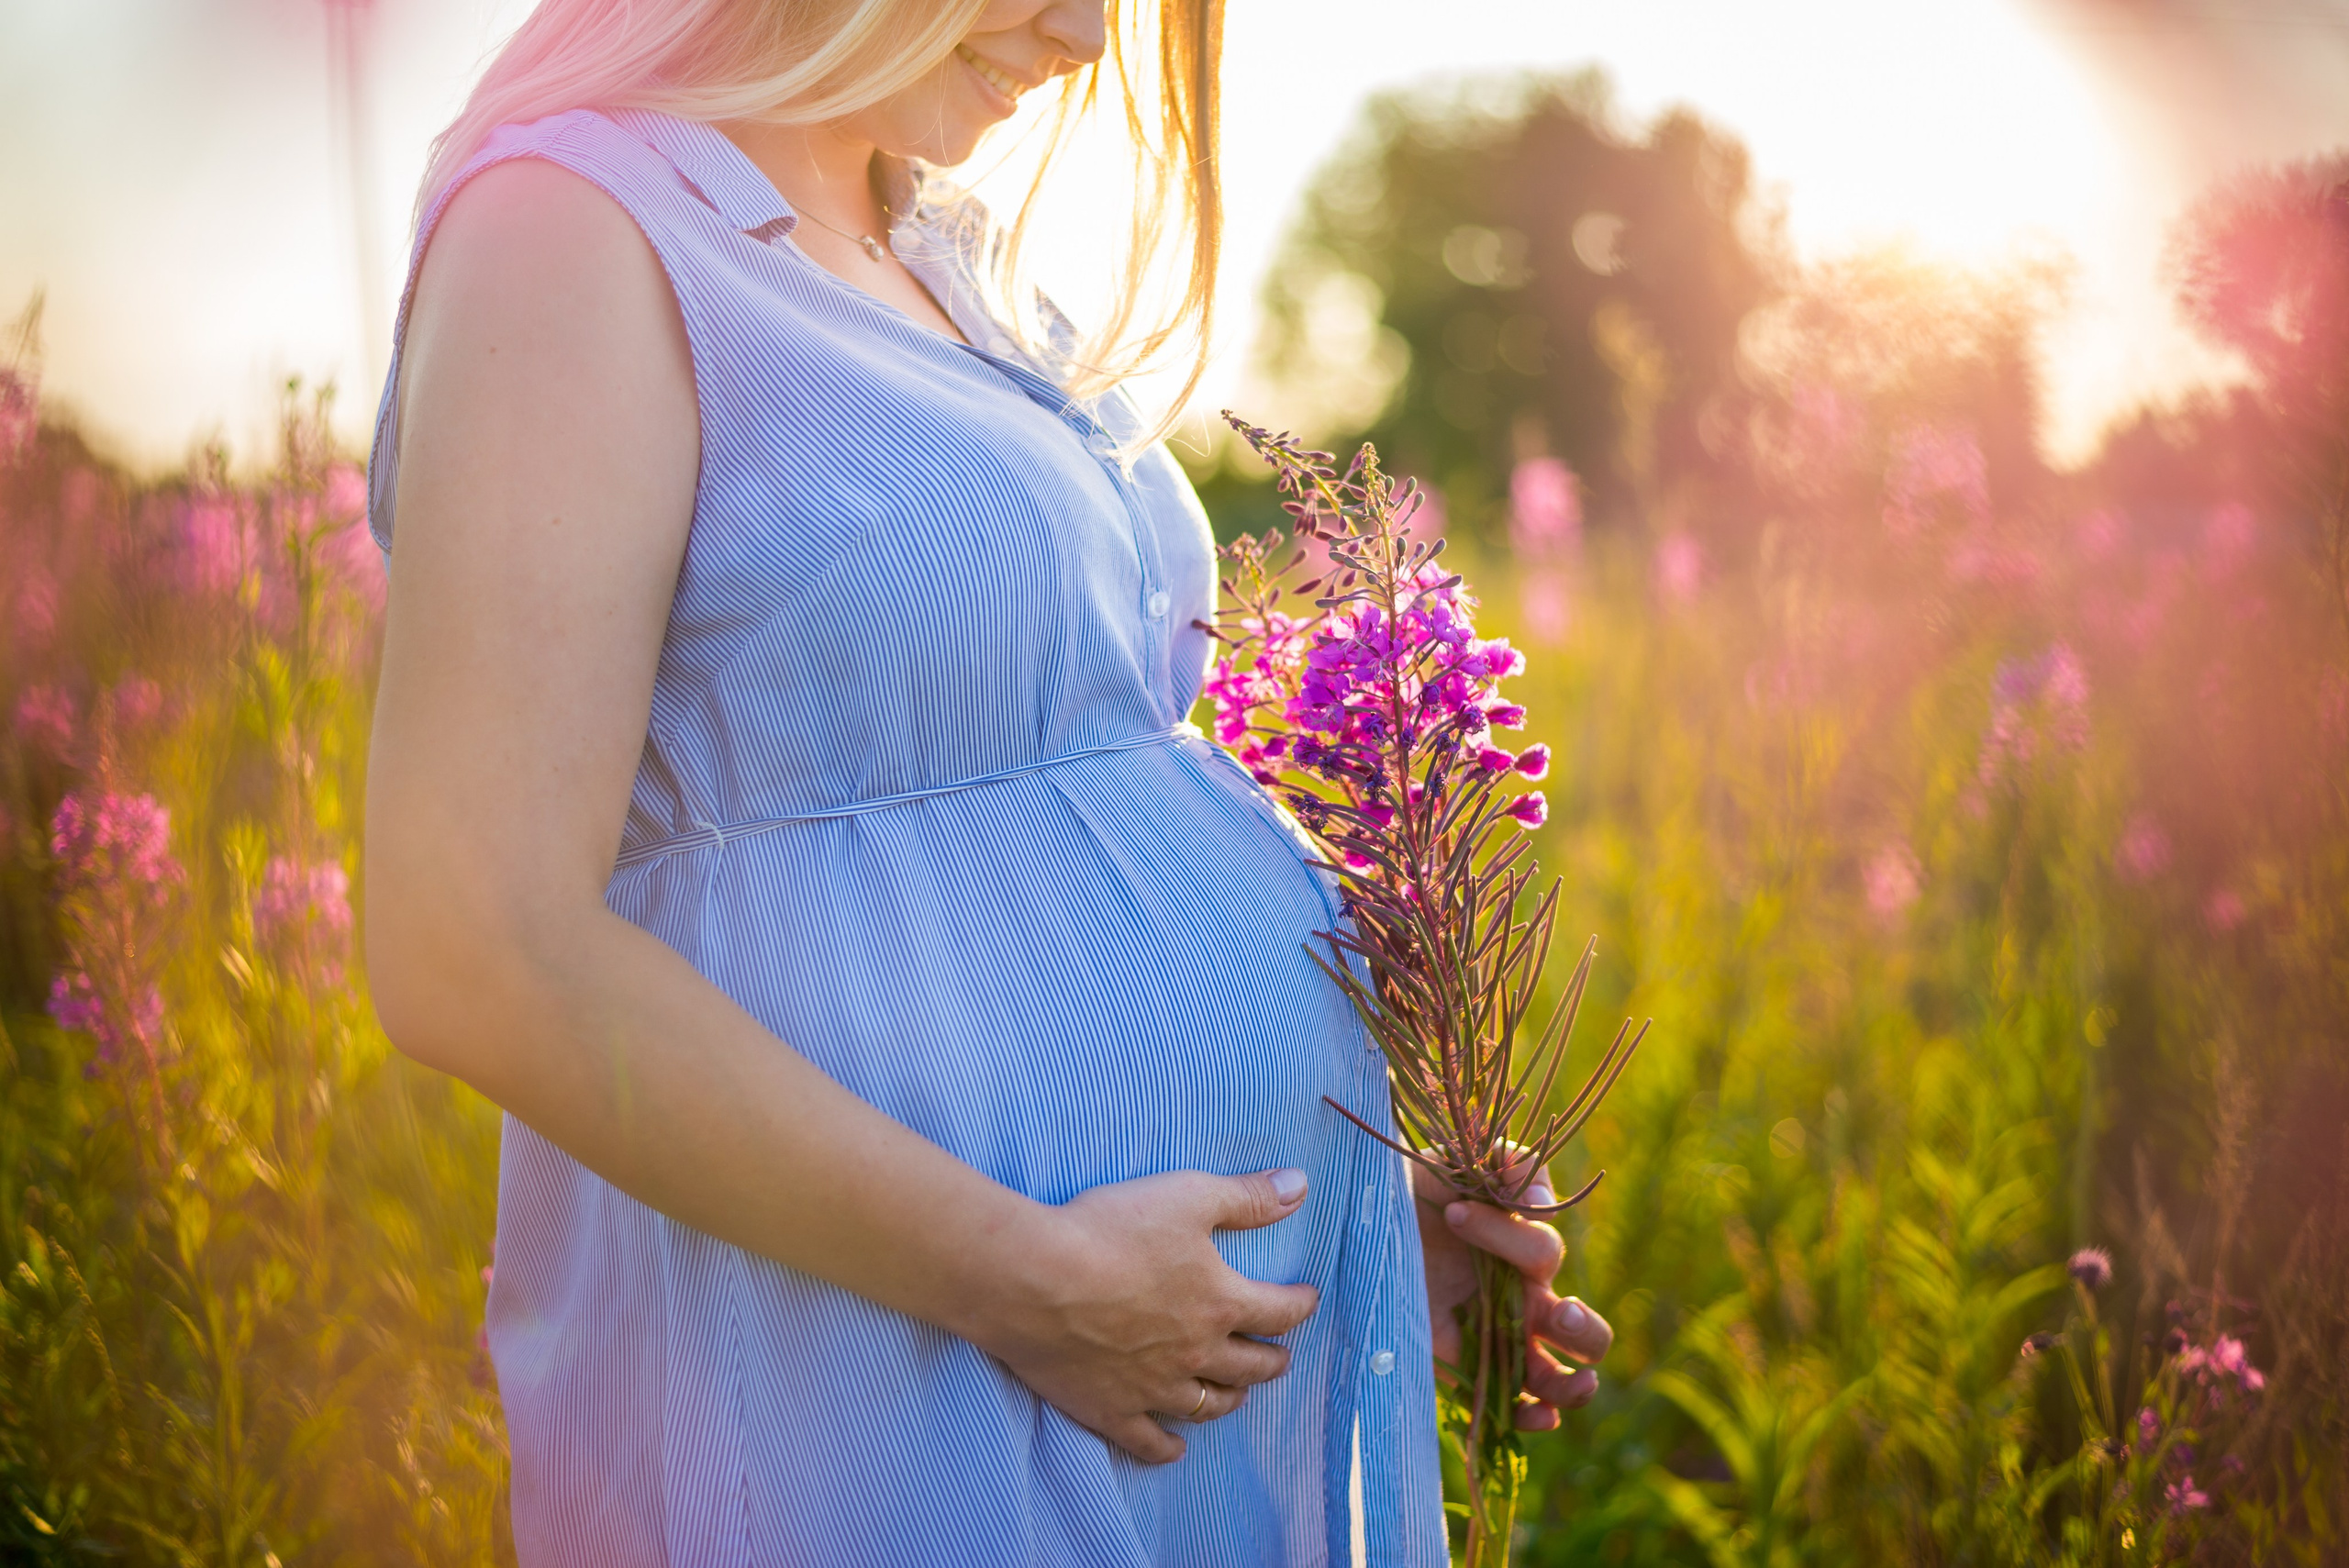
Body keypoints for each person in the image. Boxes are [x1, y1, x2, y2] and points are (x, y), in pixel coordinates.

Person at [361, 2, 1612, 1562]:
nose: (1085, 33)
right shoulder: (577, 229)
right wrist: (1025, 1278)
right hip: (872, 1395)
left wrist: (1332, 1228)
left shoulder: (947, 256)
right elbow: (469, 939)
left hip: (1144, 1383)